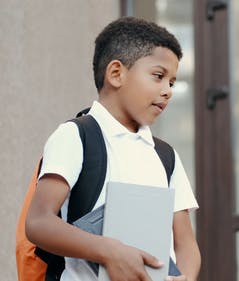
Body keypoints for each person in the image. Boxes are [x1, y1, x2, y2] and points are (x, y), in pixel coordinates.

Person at [25, 17, 200, 281]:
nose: (167, 91)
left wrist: (184, 277)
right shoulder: (76, 136)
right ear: (116, 73)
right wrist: (109, 251)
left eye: (172, 83)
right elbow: (38, 223)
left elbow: (186, 244)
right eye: (158, 76)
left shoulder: (166, 156)